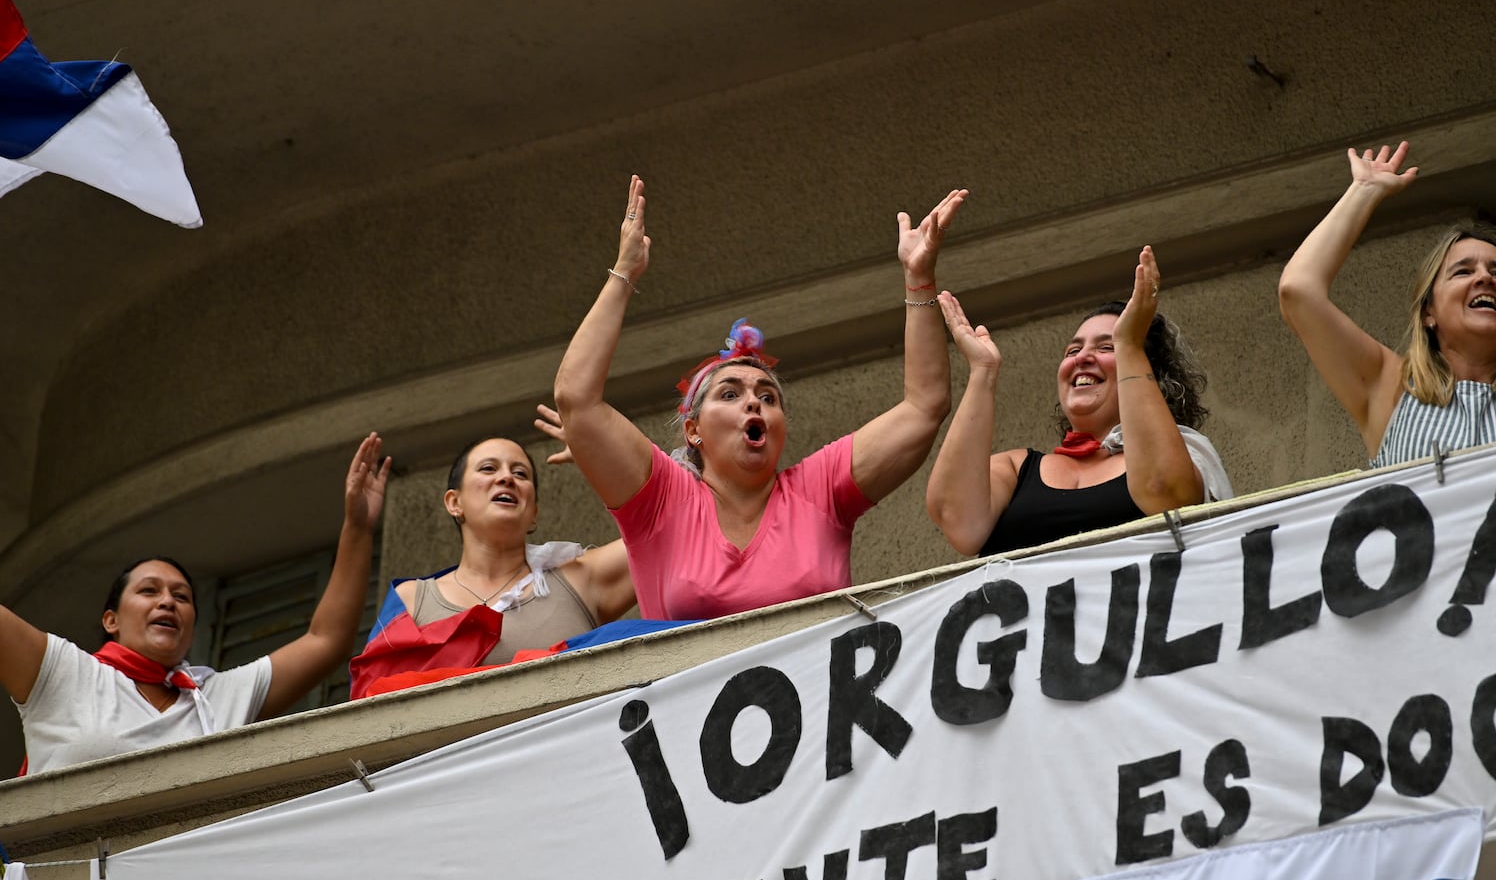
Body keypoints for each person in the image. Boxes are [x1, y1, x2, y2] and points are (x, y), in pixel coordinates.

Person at [551, 175, 959, 620]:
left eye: (768, 397)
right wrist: (624, 273)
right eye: (731, 393)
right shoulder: (661, 498)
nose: (755, 403)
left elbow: (925, 407)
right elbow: (577, 400)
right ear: (693, 430)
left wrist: (918, 278)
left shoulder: (820, 490)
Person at [1, 434, 390, 774]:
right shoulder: (66, 674)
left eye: (181, 597)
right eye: (149, 591)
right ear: (110, 620)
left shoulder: (215, 696)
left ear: (192, 627)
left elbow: (327, 640)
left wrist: (357, 528)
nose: (167, 601)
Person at [1277, 104, 1496, 467]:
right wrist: (1363, 191)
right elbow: (1298, 291)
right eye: (1463, 271)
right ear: (1429, 312)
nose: (1484, 278)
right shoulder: (1388, 391)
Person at [927, 246, 1231, 557]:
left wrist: (1128, 344)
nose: (1083, 358)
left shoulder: (1187, 452)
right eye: (1072, 351)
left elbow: (1166, 494)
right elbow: (956, 519)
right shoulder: (1016, 468)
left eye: (1106, 347)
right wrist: (983, 372)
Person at [375, 431, 634, 669]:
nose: (507, 478)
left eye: (521, 474)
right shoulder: (413, 600)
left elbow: (665, 527)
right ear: (455, 502)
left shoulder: (582, 577)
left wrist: (603, 453)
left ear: (534, 513)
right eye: (488, 469)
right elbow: (374, 698)